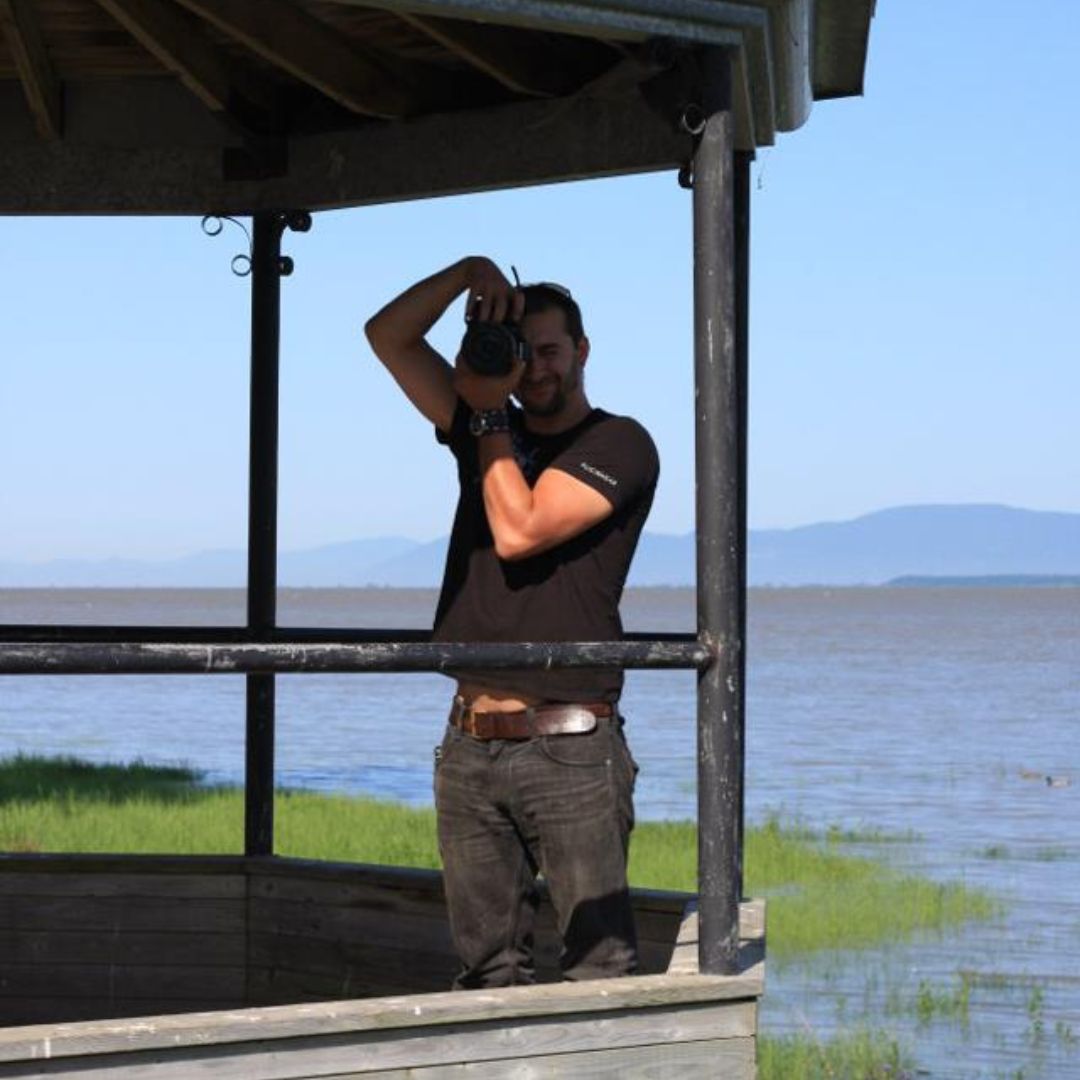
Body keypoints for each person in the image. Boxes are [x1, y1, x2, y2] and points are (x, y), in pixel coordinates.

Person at [365, 256, 659, 988]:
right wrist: (468, 274)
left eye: (550, 351)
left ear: (582, 351)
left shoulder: (619, 444)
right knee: (485, 973)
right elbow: (387, 335)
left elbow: (519, 529)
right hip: (467, 741)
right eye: (521, 353)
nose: (535, 371)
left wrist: (489, 411)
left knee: (600, 971)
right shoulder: (482, 425)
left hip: (570, 743)